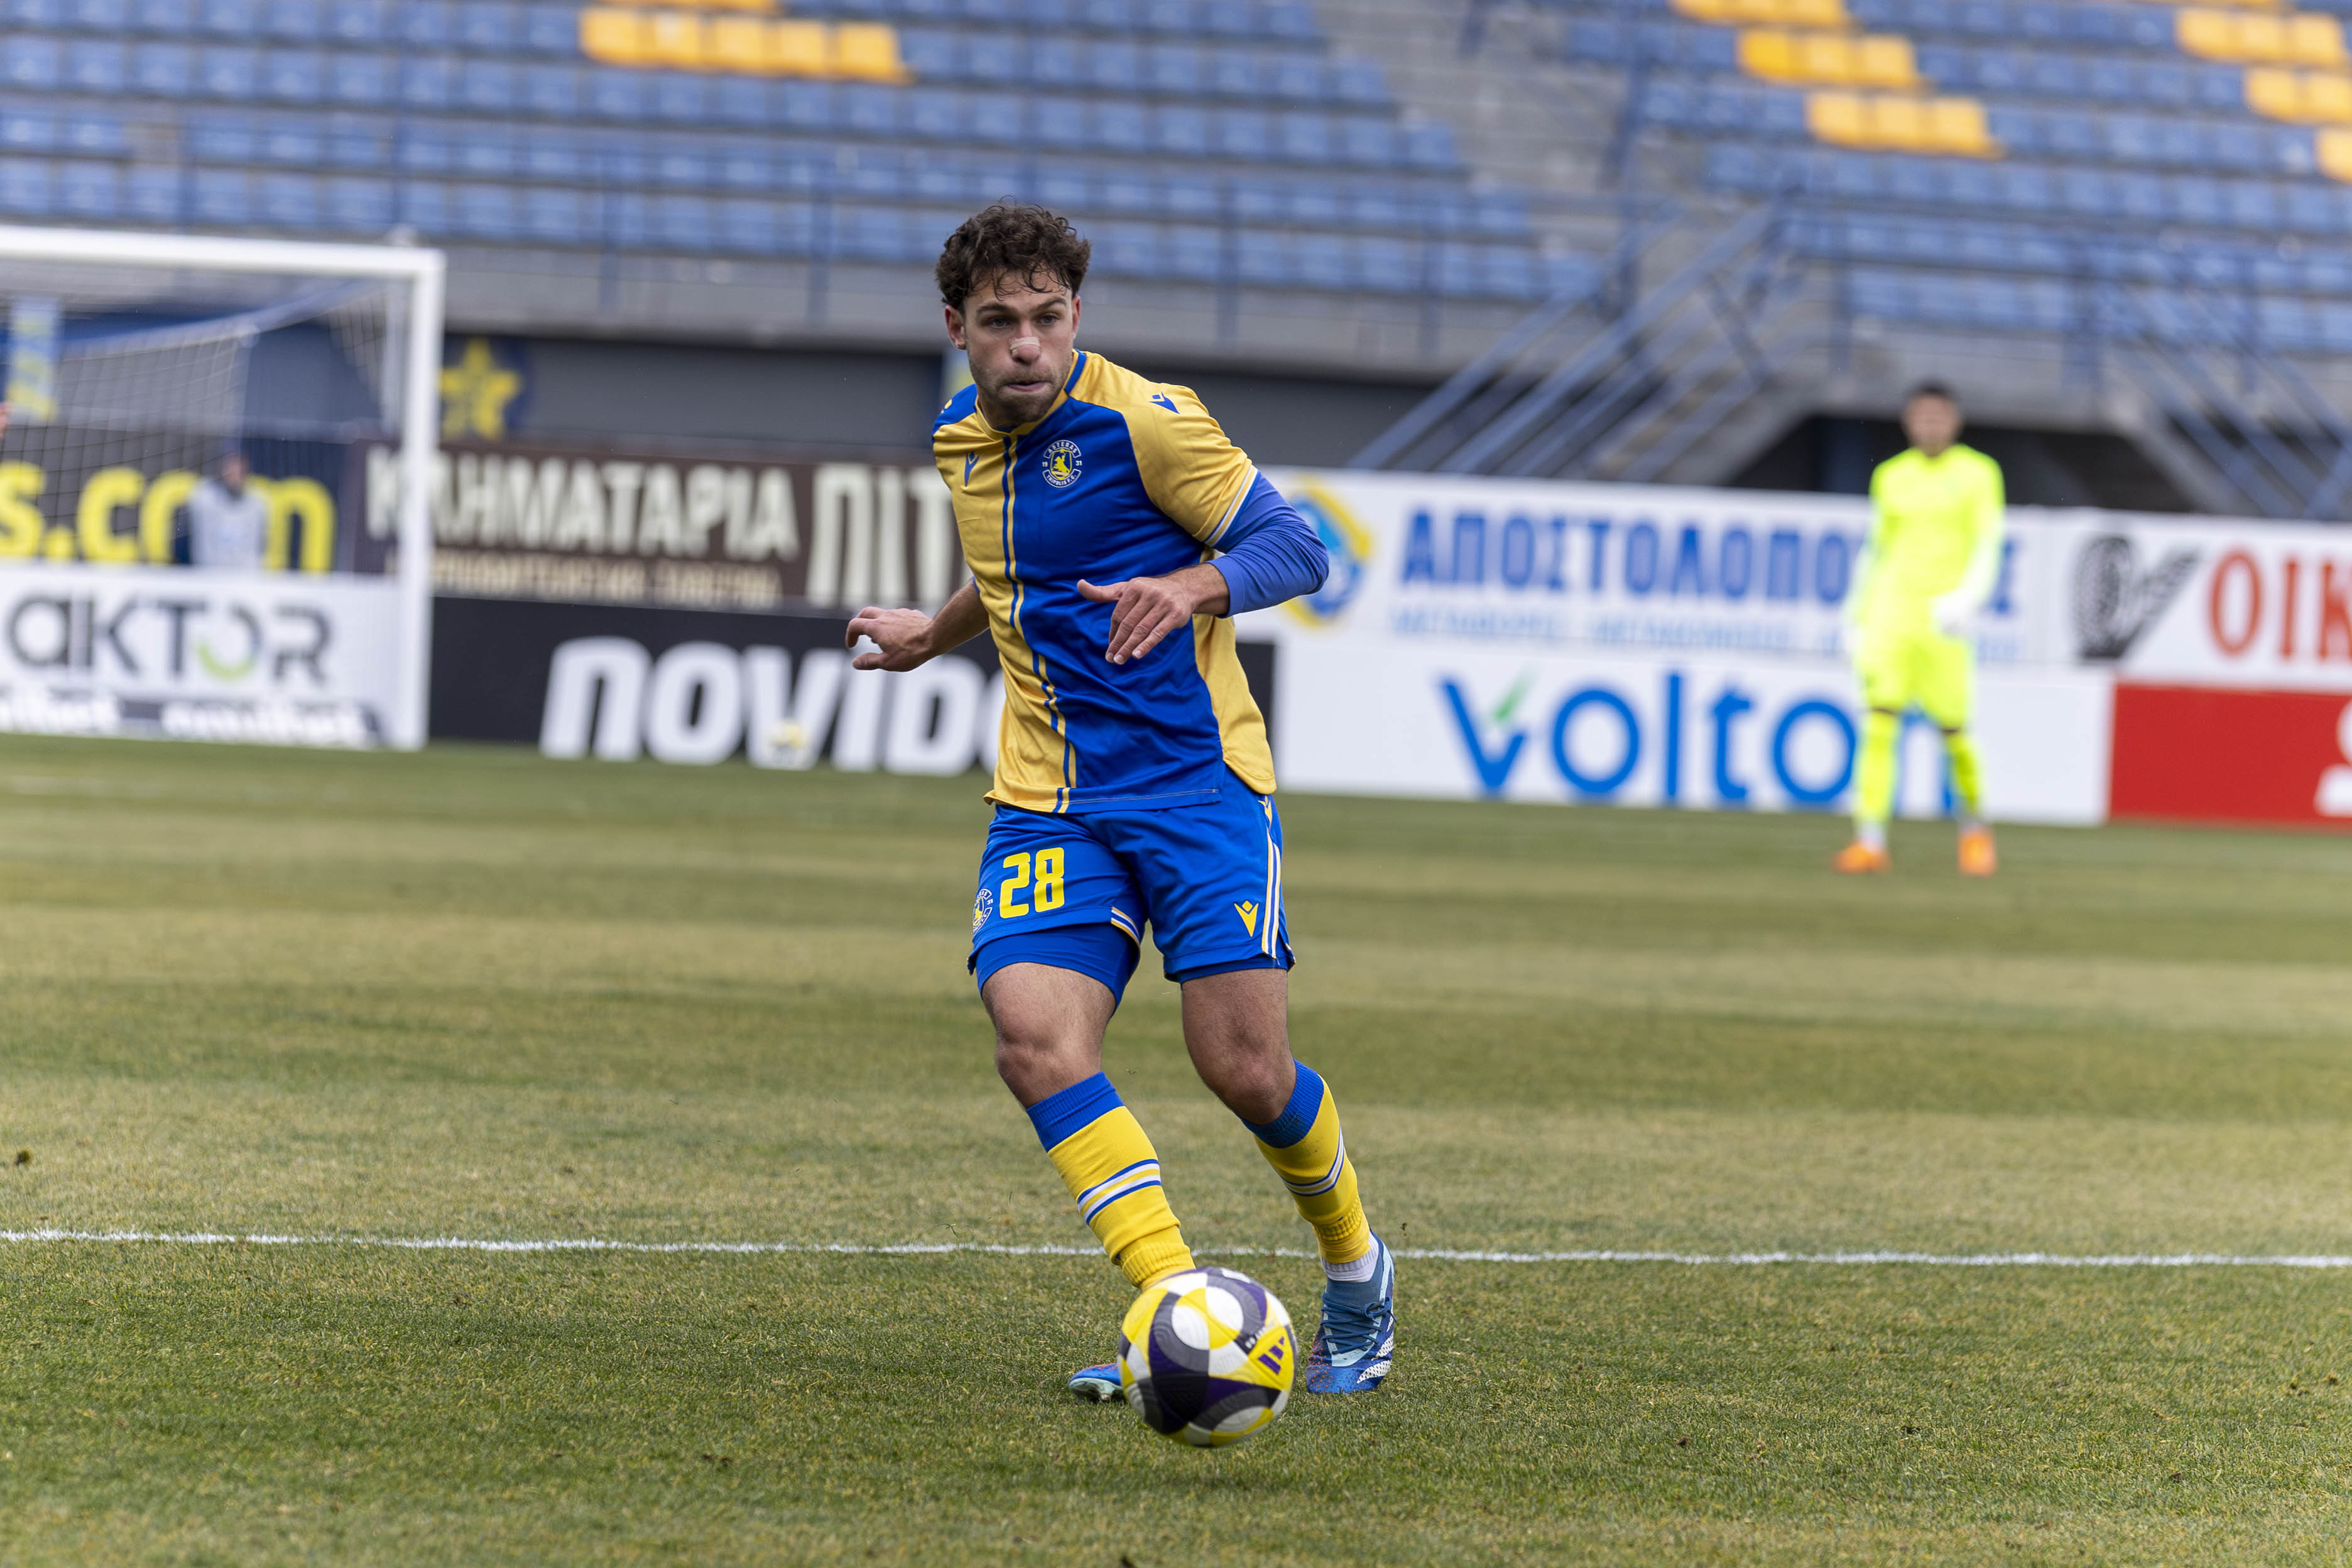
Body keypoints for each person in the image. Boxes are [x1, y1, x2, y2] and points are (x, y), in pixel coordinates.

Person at [844, 202, 1396, 1398]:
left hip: (1197, 786)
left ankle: (1357, 1269)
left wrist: (1192, 585)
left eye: (1047, 319)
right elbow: (1012, 572)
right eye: (999, 321)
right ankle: (1176, 1309)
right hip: (1049, 795)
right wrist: (933, 634)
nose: (1025, 344)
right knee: (1033, 1040)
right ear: (955, 328)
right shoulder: (956, 440)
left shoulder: (1147, 421)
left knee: (1244, 1071)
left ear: (1075, 316)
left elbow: (1298, 547)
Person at [1834, 383, 2005, 877]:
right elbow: (1876, 549)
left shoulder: (1978, 474)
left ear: (1955, 421)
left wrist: (1968, 599)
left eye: (1938, 416)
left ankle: (1975, 831)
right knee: (1878, 726)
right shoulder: (1891, 476)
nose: (1930, 425)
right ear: (1909, 422)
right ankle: (1869, 840)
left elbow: (1988, 543)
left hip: (1943, 623)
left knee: (1955, 734)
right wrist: (1855, 616)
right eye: (1921, 416)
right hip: (1891, 616)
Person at [186, 450, 268, 570]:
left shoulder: (258, 503)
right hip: (209, 573)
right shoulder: (205, 497)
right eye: (230, 472)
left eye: (239, 472)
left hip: (245, 576)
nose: (235, 477)